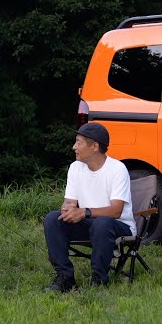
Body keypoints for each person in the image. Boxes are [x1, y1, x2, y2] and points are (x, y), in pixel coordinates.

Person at [43, 122, 135, 291]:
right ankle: (65, 278)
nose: (74, 147)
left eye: (78, 142)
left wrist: (84, 212)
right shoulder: (75, 167)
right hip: (90, 224)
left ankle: (99, 279)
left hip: (119, 227)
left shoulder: (117, 169)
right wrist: (67, 208)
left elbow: (116, 211)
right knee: (52, 219)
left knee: (102, 222)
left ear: (94, 147)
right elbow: (69, 201)